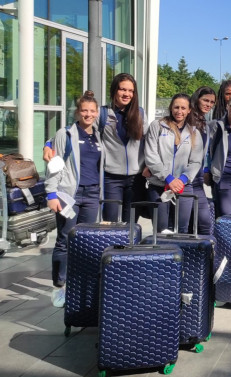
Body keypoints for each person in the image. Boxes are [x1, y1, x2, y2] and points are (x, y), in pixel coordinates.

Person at [45, 91, 104, 307]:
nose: (88, 114)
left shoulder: (98, 135)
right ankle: (59, 286)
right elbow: (55, 165)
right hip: (69, 195)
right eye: (84, 111)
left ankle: (79, 284)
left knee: (85, 241)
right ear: (78, 112)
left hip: (92, 195)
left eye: (92, 111)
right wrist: (51, 193)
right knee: (65, 240)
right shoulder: (66, 134)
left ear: (97, 113)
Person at [143, 93, 204, 233]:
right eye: (176, 107)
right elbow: (151, 155)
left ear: (189, 110)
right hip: (159, 185)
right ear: (171, 107)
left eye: (183, 108)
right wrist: (168, 178)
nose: (179, 111)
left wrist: (182, 180)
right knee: (161, 230)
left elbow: (195, 161)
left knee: (181, 230)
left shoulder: (194, 132)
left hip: (184, 187)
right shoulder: (157, 126)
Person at [96, 73, 149, 222]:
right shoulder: (102, 113)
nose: (127, 94)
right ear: (114, 90)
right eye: (122, 89)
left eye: (131, 91)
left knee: (130, 224)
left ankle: (129, 240)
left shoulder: (140, 113)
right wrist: (50, 144)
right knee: (110, 222)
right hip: (111, 179)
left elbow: (150, 141)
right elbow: (79, 129)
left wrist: (149, 165)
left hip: (136, 179)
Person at [189, 86, 216, 234]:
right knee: (186, 224)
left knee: (205, 223)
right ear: (197, 99)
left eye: (211, 102)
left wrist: (206, 169)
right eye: (206, 100)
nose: (208, 104)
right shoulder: (188, 119)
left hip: (198, 178)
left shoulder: (205, 123)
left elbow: (205, 153)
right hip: (185, 178)